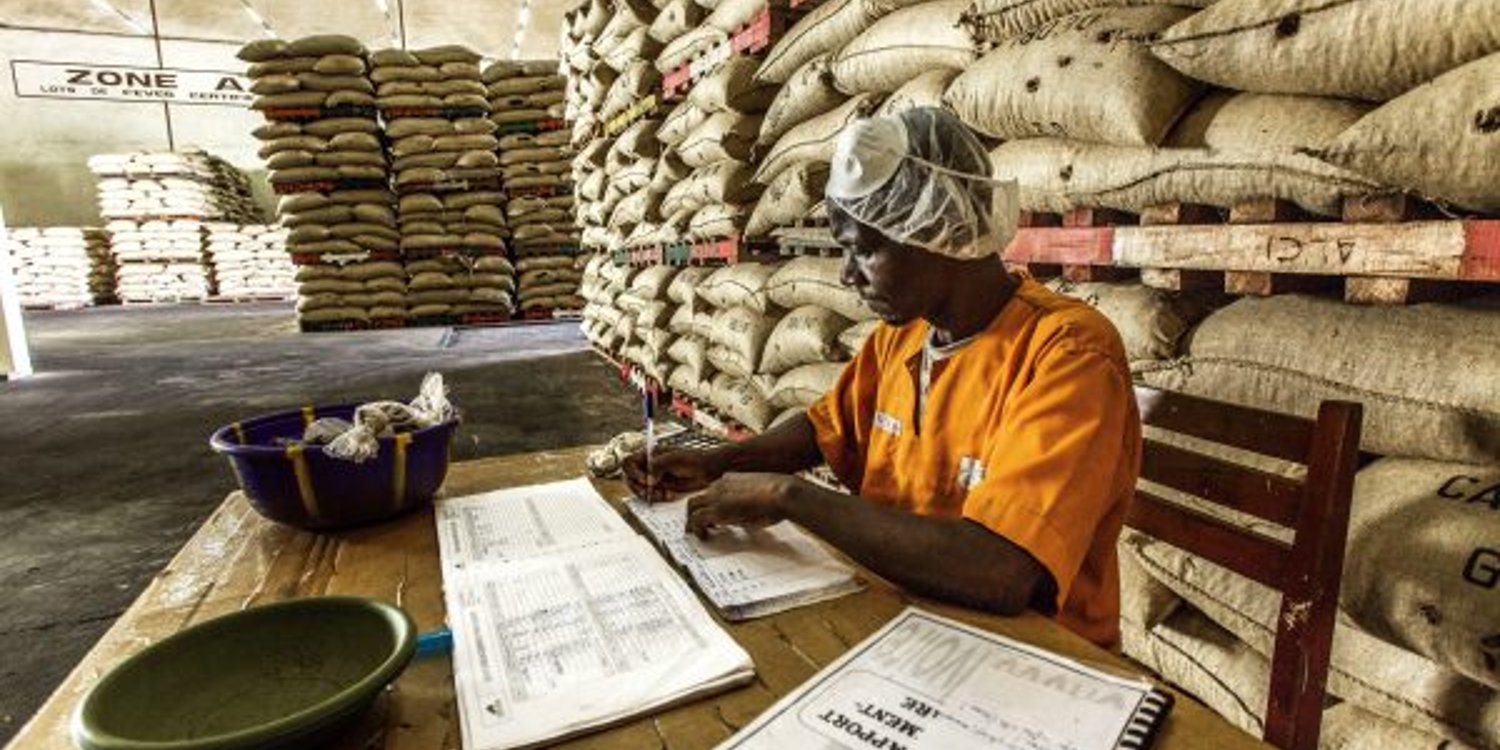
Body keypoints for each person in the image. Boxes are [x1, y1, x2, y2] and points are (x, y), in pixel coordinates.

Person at [624, 107, 1140, 648]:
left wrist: (788, 497)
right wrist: (715, 462)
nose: (847, 275)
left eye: (864, 249)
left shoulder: (1068, 353)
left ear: (938, 230)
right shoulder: (904, 340)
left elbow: (1001, 571)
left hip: (1033, 652)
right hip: (909, 616)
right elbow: (825, 431)